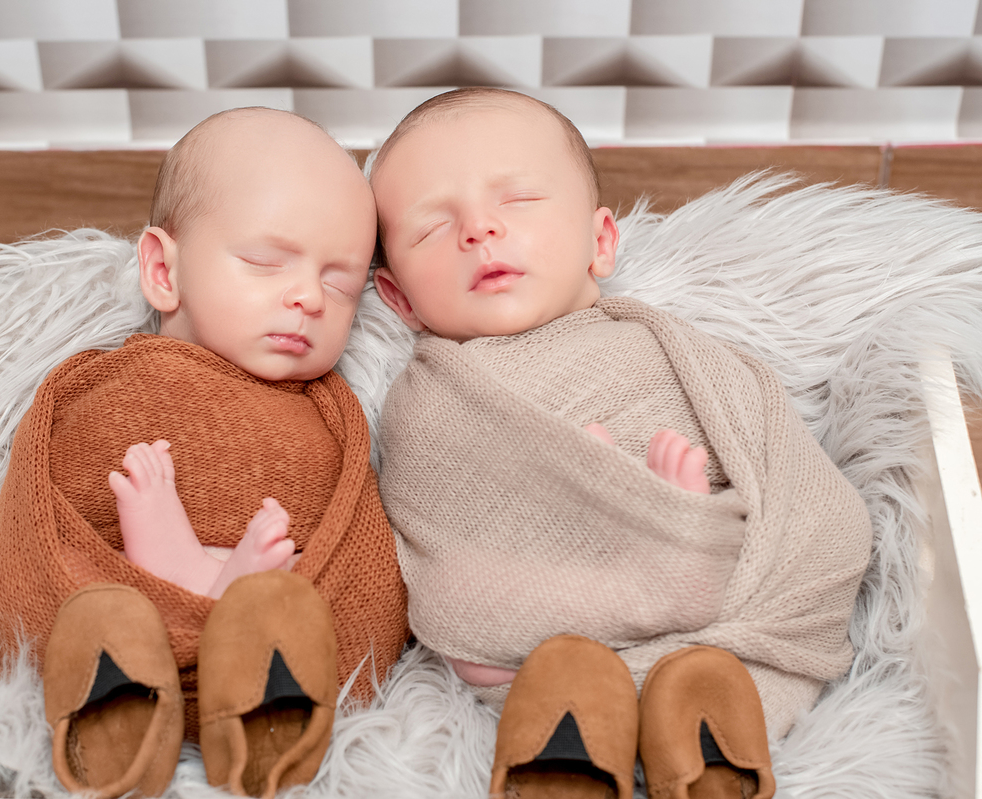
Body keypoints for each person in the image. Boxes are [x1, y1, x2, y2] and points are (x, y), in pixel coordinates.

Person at [368, 87, 872, 797]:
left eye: (518, 200)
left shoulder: (664, 348)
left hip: (731, 602)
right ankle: (640, 715)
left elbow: (783, 466)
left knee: (837, 526)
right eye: (431, 227)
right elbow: (439, 560)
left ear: (600, 242)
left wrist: (686, 519)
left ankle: (692, 720)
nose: (479, 230)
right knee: (484, 633)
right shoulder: (429, 402)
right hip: (546, 642)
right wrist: (611, 519)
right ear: (399, 299)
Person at [0, 107, 409, 799]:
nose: (309, 296)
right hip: (121, 639)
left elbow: (363, 546)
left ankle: (243, 657)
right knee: (103, 616)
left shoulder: (331, 412)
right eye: (265, 262)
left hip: (277, 651)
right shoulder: (99, 386)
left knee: (278, 605)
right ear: (163, 270)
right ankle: (132, 692)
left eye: (341, 284)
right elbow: (36, 521)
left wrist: (272, 596)